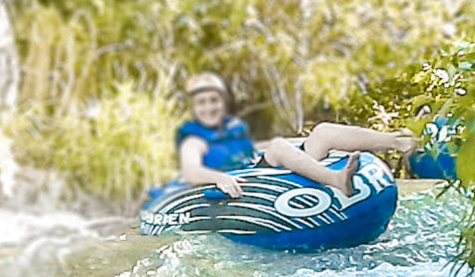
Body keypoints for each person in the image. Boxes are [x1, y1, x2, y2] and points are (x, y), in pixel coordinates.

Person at [177, 72, 417, 198]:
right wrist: (219, 178)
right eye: (202, 103)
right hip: (252, 186)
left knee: (322, 132)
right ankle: (336, 180)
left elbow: (254, 150)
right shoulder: (195, 139)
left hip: (269, 173)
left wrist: (297, 144)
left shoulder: (231, 129)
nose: (209, 107)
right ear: (193, 108)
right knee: (279, 147)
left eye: (214, 100)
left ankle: (398, 141)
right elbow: (190, 170)